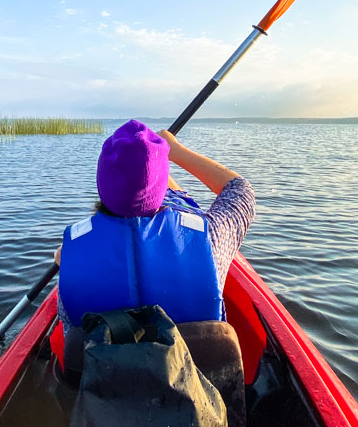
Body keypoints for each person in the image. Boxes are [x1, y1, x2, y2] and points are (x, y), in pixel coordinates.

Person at [55, 119, 255, 331]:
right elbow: (241, 190)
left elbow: (70, 328)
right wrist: (175, 150)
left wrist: (67, 258)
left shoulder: (73, 253)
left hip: (105, 364)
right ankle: (158, 176)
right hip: (194, 363)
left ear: (101, 182)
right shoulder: (211, 239)